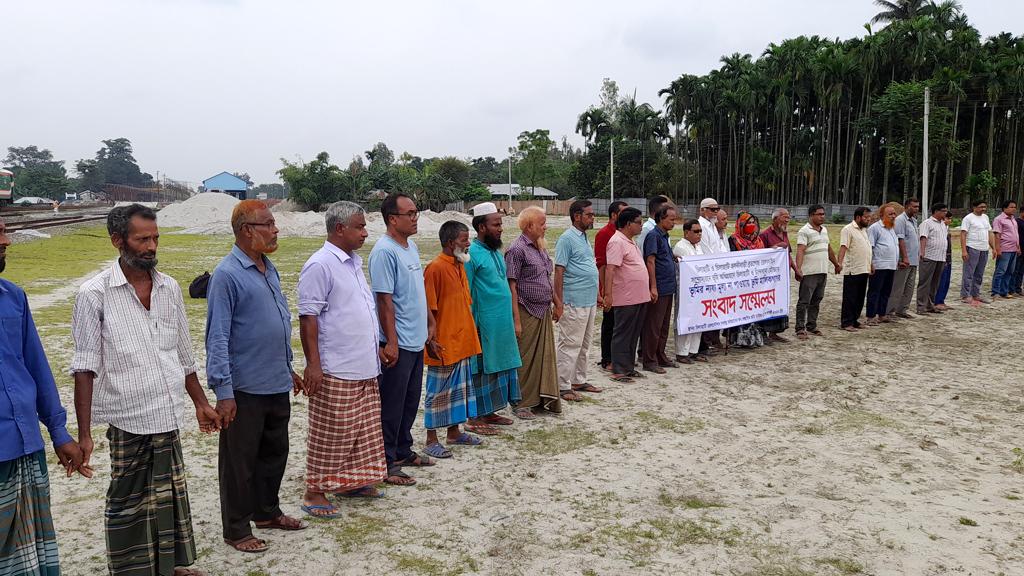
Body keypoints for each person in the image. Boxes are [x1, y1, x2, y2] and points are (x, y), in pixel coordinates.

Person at [71, 204, 219, 576]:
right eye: (142, 239)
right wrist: (84, 434)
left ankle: (170, 566)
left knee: (169, 496)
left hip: (166, 413)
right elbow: (84, 367)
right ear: (117, 241)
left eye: (155, 238)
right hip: (127, 417)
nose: (152, 246)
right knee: (128, 502)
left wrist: (201, 403)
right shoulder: (94, 295)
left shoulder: (168, 288)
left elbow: (182, 354)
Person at [205, 200, 306, 552]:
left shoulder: (269, 268)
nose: (276, 229)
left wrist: (288, 367)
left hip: (275, 381)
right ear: (248, 230)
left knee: (274, 453)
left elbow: (275, 322)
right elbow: (217, 335)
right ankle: (236, 529)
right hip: (244, 388)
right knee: (239, 463)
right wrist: (223, 390)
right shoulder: (227, 275)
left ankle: (266, 512)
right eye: (269, 224)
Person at [0, 217, 87, 576]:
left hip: (24, 445)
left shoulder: (13, 297)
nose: (5, 240)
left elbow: (36, 365)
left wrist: (59, 431)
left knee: (29, 553)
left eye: (4, 231)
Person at [298, 201, 388, 517]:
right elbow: (308, 317)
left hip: (363, 363)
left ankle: (353, 482)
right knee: (333, 431)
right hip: (337, 367)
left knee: (361, 429)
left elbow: (359, 309)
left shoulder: (352, 262)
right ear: (340, 229)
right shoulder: (320, 264)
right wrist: (313, 364)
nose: (365, 232)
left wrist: (374, 345)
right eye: (360, 227)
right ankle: (315, 491)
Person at [369, 193, 434, 486]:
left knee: (410, 401)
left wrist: (430, 323)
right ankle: (387, 460)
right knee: (391, 405)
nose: (415, 217)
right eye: (410, 213)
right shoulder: (384, 252)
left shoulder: (411, 247)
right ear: (393, 219)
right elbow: (384, 300)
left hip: (416, 339)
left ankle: (404, 449)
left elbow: (417, 290)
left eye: (416, 212)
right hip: (398, 343)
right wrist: (391, 342)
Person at [421, 221, 484, 458]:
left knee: (459, 392)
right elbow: (428, 308)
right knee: (438, 393)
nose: (468, 244)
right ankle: (430, 439)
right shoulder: (435, 268)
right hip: (444, 342)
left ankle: (454, 432)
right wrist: (431, 339)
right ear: (450, 243)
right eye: (464, 240)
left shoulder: (459, 265)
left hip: (463, 341)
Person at [465, 202, 522, 429]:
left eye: (501, 224)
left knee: (501, 366)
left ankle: (490, 412)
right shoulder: (471, 255)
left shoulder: (495, 251)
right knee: (482, 369)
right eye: (496, 224)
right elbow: (467, 292)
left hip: (502, 324)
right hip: (483, 324)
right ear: (481, 227)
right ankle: (475, 417)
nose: (500, 229)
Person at [505, 206, 562, 417]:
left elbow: (546, 278)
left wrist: (557, 302)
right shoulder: (516, 249)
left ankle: (540, 398)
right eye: (542, 223)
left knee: (543, 358)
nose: (546, 227)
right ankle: (520, 403)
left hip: (543, 310)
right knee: (525, 359)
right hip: (526, 309)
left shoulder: (540, 247)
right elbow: (511, 286)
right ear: (529, 226)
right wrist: (516, 320)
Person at [554, 200, 602, 401]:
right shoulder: (566, 238)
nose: (592, 218)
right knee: (570, 343)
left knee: (584, 344)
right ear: (577, 216)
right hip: (573, 300)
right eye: (589, 215)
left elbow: (588, 266)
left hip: (589, 299)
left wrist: (598, 294)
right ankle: (562, 384)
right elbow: (559, 270)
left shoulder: (583, 237)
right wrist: (558, 302)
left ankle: (578, 379)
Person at [604, 207, 650, 381]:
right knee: (623, 332)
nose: (641, 226)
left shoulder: (630, 241)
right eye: (638, 222)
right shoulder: (617, 241)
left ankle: (628, 366)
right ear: (628, 224)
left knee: (634, 332)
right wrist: (608, 294)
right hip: (626, 296)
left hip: (638, 296)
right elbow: (611, 269)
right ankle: (619, 369)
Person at [641, 202, 679, 372]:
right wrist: (653, 287)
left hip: (669, 286)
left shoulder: (664, 236)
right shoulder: (653, 236)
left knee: (664, 325)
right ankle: (649, 360)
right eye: (671, 219)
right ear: (661, 218)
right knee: (654, 326)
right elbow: (650, 261)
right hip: (660, 287)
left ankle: (660, 354)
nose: (674, 222)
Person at [794, 205, 841, 339]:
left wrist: (836, 264)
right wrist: (798, 269)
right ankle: (800, 328)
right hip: (809, 272)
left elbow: (828, 248)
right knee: (804, 301)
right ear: (811, 215)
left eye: (823, 214)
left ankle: (812, 325)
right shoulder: (804, 231)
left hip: (822, 271)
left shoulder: (824, 230)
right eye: (819, 214)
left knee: (817, 299)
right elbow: (800, 250)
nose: (822, 216)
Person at [594, 201, 628, 372]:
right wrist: (604, 290)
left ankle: (619, 357)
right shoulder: (604, 234)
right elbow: (601, 264)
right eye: (623, 212)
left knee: (620, 324)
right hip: (610, 286)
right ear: (614, 215)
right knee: (610, 323)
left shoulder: (624, 234)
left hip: (623, 287)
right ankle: (607, 358)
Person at [726, 212, 768, 347]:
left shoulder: (759, 241)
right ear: (741, 225)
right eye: (748, 223)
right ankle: (739, 338)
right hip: (740, 283)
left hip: (756, 283)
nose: (751, 226)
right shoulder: (733, 240)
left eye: (753, 223)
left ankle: (755, 337)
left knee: (755, 308)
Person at [758, 207, 798, 342]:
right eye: (784, 217)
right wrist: (773, 248)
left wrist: (796, 270)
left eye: (788, 217)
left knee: (780, 302)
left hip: (783, 276)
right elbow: (760, 255)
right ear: (775, 219)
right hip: (769, 278)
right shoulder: (765, 234)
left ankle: (775, 332)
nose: (787, 220)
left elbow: (788, 254)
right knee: (767, 303)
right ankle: (764, 332)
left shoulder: (784, 233)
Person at [672, 219, 706, 363]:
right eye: (696, 231)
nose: (699, 234)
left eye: (700, 231)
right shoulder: (681, 246)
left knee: (698, 319)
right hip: (685, 289)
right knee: (684, 318)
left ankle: (693, 351)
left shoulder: (698, 246)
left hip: (700, 288)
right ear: (686, 233)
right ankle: (681, 353)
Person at [838, 207, 874, 332]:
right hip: (852, 269)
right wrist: (839, 263)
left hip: (864, 268)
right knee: (850, 297)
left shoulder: (864, 230)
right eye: (866, 217)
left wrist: (871, 265)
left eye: (869, 217)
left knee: (860, 297)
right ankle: (846, 322)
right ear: (858, 217)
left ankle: (855, 320)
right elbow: (843, 247)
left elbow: (867, 249)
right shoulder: (848, 229)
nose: (868, 219)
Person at [865, 202, 901, 325]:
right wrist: (870, 263)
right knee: (875, 291)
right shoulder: (875, 228)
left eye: (894, 214)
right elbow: (870, 247)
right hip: (879, 265)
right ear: (882, 215)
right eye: (890, 214)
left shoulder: (892, 229)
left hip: (891, 266)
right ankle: (870, 316)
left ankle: (882, 314)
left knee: (886, 291)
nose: (893, 216)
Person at [887, 198, 921, 319]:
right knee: (898, 287)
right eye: (914, 206)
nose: (917, 209)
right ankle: (890, 311)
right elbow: (900, 240)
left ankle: (902, 309)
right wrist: (904, 257)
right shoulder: (901, 220)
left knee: (909, 287)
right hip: (905, 260)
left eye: (918, 206)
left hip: (914, 260)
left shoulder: (913, 221)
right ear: (907, 207)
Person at [960, 199, 994, 306]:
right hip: (972, 247)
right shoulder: (968, 218)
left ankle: (976, 294)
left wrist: (994, 248)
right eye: (981, 207)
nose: (983, 209)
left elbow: (989, 233)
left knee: (979, 273)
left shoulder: (985, 217)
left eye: (984, 207)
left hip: (984, 248)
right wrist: (964, 250)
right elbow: (963, 234)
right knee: (969, 272)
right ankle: (965, 295)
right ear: (974, 207)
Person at [917, 203, 949, 315]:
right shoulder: (927, 223)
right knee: (925, 282)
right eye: (943, 211)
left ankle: (930, 305)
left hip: (940, 257)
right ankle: (921, 307)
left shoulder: (943, 225)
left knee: (935, 283)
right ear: (936, 211)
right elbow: (923, 238)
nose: (945, 213)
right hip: (929, 256)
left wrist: (944, 257)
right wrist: (922, 252)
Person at [990, 200, 1020, 299]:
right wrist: (998, 249)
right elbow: (997, 235)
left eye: (1015, 207)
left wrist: (1018, 247)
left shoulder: (1013, 219)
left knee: (1010, 271)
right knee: (1000, 271)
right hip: (1005, 249)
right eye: (1011, 207)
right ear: (1004, 208)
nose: (1014, 209)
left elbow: (1015, 235)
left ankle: (1004, 291)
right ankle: (995, 292)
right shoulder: (999, 219)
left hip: (1013, 249)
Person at [934, 210, 954, 310]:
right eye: (947, 218)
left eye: (950, 218)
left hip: (949, 256)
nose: (949, 220)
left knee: (946, 280)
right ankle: (937, 301)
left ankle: (942, 300)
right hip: (942, 256)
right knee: (940, 280)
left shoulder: (946, 228)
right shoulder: (940, 228)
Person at [1012, 209, 1024, 295]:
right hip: (1018, 248)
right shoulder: (1016, 222)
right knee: (1015, 269)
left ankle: (1018, 288)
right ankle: (1011, 288)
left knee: (1021, 271)